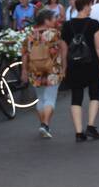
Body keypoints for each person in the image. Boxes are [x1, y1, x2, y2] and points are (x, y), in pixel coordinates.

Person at [61, 0, 99, 142]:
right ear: (85, 6)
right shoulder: (94, 24)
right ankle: (91, 126)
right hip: (91, 63)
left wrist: (64, 67)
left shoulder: (67, 25)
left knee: (76, 97)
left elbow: (64, 49)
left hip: (74, 65)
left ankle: (79, 133)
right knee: (95, 94)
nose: (91, 8)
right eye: (90, 5)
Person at [21, 9, 67, 138]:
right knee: (50, 99)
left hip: (35, 71)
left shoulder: (30, 35)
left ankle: (43, 124)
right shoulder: (55, 34)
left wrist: (24, 70)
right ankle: (45, 125)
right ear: (46, 20)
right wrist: (64, 67)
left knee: (41, 99)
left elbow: (24, 54)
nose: (56, 20)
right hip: (52, 70)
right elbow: (63, 51)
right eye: (53, 18)